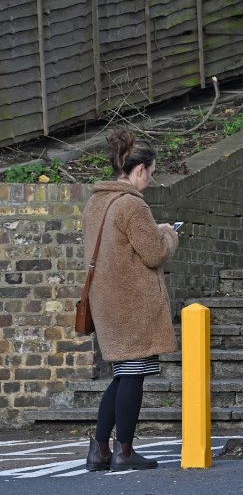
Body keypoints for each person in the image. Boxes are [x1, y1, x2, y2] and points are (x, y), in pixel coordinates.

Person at [82, 129, 179, 471]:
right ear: (139, 170)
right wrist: (168, 233)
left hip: (106, 302)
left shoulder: (96, 202)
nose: (150, 180)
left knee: (122, 375)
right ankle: (124, 452)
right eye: (151, 173)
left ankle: (99, 451)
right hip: (132, 304)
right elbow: (154, 253)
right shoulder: (131, 205)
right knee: (132, 376)